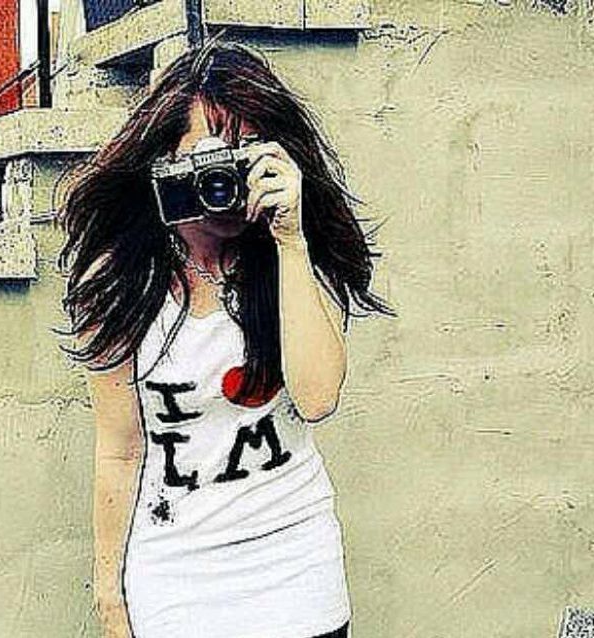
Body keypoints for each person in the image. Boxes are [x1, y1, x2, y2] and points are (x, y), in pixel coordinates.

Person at [56, 35, 395, 638]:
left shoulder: (288, 254)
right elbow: (120, 449)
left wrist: (291, 241)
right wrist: (111, 595)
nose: (227, 179)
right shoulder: (119, 282)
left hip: (295, 561)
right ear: (165, 163)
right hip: (177, 573)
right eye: (210, 157)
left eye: (246, 154)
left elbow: (318, 397)